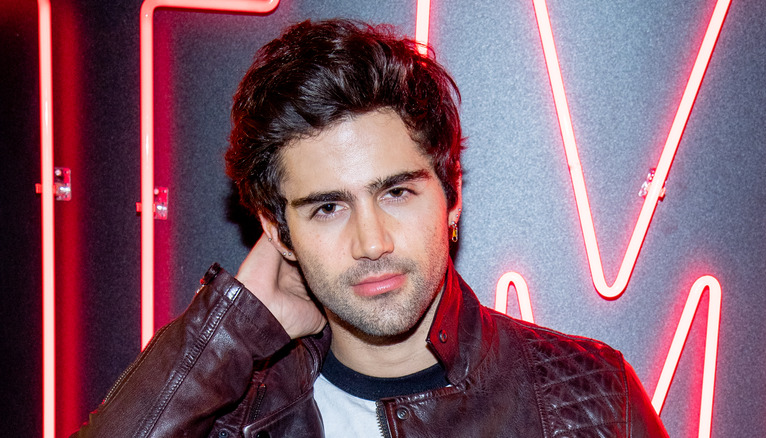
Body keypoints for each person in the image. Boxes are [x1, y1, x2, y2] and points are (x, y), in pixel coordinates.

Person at [74, 19, 668, 437]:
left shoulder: (588, 395)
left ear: (452, 196)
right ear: (280, 233)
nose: (372, 242)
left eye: (397, 192)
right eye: (327, 208)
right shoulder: (223, 418)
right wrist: (231, 328)